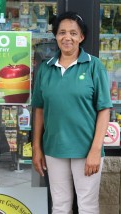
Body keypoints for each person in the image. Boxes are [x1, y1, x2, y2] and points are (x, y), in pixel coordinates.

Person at [31, 11, 112, 214]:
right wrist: (36, 147)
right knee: (59, 206)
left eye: (73, 33)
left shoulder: (94, 66)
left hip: (86, 150)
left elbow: (104, 109)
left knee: (87, 207)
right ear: (56, 36)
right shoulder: (46, 69)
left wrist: (95, 149)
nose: (67, 37)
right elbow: (39, 109)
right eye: (62, 32)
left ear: (81, 37)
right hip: (54, 149)